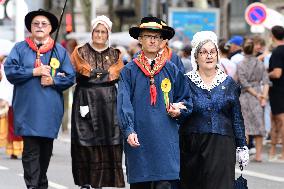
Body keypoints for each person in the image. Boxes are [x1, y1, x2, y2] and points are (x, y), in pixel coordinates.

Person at [117, 16, 192, 189]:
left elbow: (186, 99)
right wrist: (128, 130)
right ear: (140, 40)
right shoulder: (129, 71)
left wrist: (180, 110)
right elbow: (123, 103)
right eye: (147, 36)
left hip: (166, 140)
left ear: (161, 41)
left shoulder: (171, 69)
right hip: (139, 138)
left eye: (156, 37)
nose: (152, 40)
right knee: (141, 185)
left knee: (165, 184)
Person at [4, 9, 75, 189]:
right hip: (27, 112)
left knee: (44, 155)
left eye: (44, 24)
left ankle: (40, 183)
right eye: (36, 24)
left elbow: (70, 76)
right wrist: (33, 71)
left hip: (50, 113)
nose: (40, 27)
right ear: (30, 27)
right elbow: (10, 71)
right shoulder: (19, 49)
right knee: (30, 153)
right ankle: (33, 186)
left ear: (51, 28)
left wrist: (53, 80)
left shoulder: (59, 51)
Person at [179, 31, 248, 189]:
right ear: (196, 57)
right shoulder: (185, 81)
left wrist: (242, 145)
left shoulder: (228, 82)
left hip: (222, 145)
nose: (209, 56)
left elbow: (236, 117)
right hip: (191, 145)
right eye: (203, 52)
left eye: (212, 52)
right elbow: (180, 114)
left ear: (217, 54)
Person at [70, 15, 125, 189]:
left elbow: (116, 73)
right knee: (85, 139)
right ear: (92, 32)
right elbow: (81, 71)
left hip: (109, 101)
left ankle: (103, 181)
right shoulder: (80, 51)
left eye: (103, 31)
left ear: (108, 34)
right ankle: (86, 182)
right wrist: (101, 75)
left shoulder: (116, 54)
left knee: (110, 138)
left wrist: (97, 75)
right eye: (97, 31)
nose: (100, 34)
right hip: (85, 99)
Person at [237, 37, 269, 162]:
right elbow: (266, 81)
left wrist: (256, 94)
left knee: (245, 126)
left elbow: (244, 83)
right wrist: (263, 96)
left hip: (245, 96)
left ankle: (244, 156)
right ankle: (259, 155)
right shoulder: (260, 63)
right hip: (258, 95)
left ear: (243, 50)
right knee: (258, 125)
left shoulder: (240, 64)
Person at [0, 53, 23, 159]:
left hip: (15, 101)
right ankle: (13, 149)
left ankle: (16, 149)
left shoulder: (17, 71)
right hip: (9, 101)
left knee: (15, 126)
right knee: (11, 127)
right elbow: (4, 86)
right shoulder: (5, 72)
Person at [268, 25, 284, 161]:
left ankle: (282, 153)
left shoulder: (278, 52)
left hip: (278, 90)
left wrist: (267, 74)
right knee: (275, 120)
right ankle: (273, 152)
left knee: (279, 121)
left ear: (273, 36)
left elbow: (277, 73)